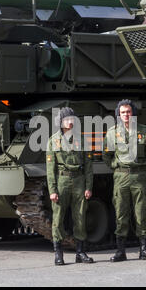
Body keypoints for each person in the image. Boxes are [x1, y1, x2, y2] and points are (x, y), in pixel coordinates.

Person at [103, 99, 146, 262]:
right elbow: (106, 156)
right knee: (121, 213)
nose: (126, 115)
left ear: (133, 113)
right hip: (121, 177)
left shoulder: (143, 131)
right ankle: (121, 251)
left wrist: (141, 166)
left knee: (141, 212)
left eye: (128, 112)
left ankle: (144, 249)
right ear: (118, 115)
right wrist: (116, 165)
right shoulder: (112, 133)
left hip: (139, 176)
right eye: (123, 112)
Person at [46, 107, 94, 266]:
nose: (70, 122)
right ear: (60, 122)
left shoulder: (81, 139)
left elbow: (88, 166)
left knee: (80, 216)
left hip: (79, 180)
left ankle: (80, 252)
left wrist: (88, 186)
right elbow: (50, 169)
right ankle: (58, 253)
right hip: (62, 180)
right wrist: (52, 190)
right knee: (58, 217)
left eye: (72, 119)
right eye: (67, 119)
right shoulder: (53, 141)